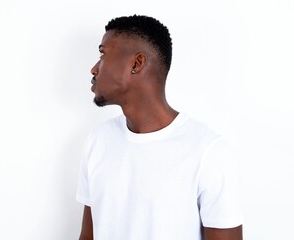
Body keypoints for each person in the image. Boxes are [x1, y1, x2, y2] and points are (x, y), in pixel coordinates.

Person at [76, 15, 243, 240]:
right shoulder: (98, 140)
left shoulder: (209, 153)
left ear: (137, 63)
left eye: (103, 54)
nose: (94, 69)